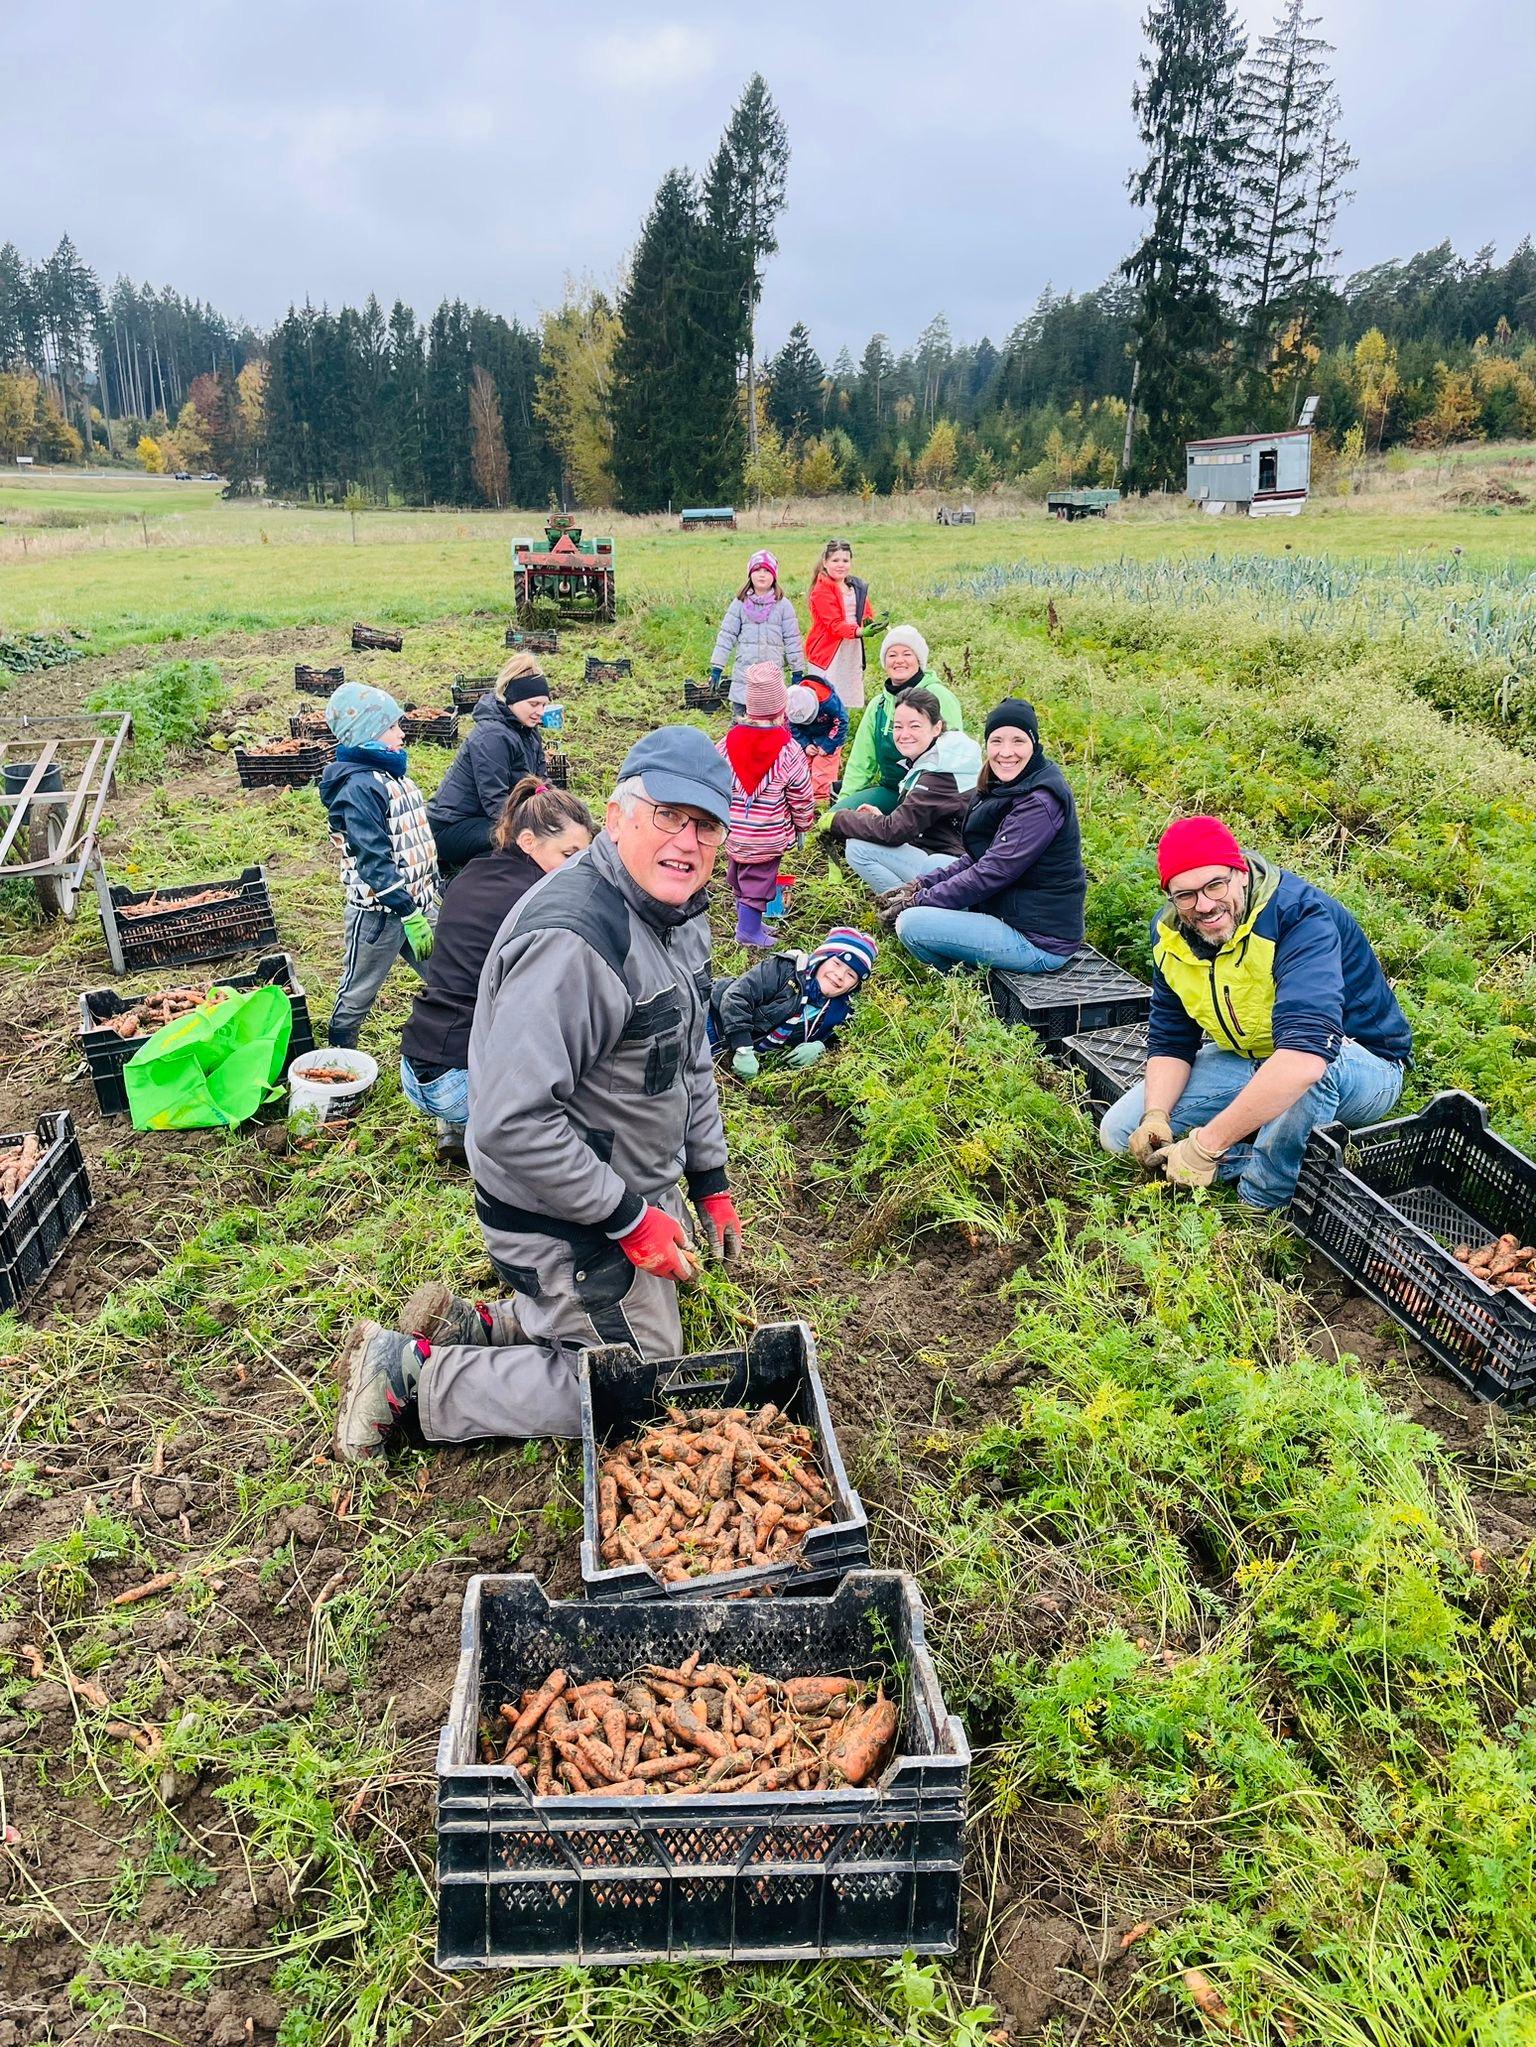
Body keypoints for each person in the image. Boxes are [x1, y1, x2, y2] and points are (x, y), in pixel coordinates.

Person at [333, 726, 744, 1462]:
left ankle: (489, 1325)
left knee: (658, 1310)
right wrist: (626, 1217)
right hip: (554, 1208)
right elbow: (508, 1126)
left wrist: (708, 1177)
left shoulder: (676, 907)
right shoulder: (578, 943)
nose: (688, 839)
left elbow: (688, 1053)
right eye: (668, 816)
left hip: (620, 1175)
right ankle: (412, 1376)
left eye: (706, 823)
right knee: (643, 1381)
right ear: (616, 818)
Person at [1100, 816, 1412, 1211]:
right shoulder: (1170, 937)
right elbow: (1171, 1039)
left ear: (1241, 873)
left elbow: (1305, 1059)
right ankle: (1260, 1146)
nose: (1205, 906)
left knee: (1312, 1070)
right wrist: (1157, 1115)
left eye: (1216, 884)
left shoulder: (1300, 917)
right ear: (1171, 897)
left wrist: (1206, 1145)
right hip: (1254, 1055)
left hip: (1363, 1065)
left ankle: (1261, 1201)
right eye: (1186, 895)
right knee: (1119, 1133)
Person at [400, 776, 594, 1163]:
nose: (577, 866)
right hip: (459, 1083)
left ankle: (458, 1127)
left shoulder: (472, 871)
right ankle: (492, 1132)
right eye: (568, 854)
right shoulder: (539, 900)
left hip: (414, 1065)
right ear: (528, 842)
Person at [881, 697, 1085, 977]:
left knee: (912, 924)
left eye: (1018, 741)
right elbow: (980, 857)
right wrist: (920, 885)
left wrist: (918, 901)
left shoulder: (1038, 802)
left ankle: (965, 981)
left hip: (1037, 939)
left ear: (1034, 745)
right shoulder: (1006, 782)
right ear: (986, 743)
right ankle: (965, 947)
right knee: (932, 866)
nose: (1006, 752)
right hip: (1010, 909)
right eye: (997, 741)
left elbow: (991, 871)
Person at [319, 683, 440, 1049]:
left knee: (452, 975)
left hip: (420, 902)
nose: (401, 732)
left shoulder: (393, 776)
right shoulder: (358, 788)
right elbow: (372, 857)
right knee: (359, 990)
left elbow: (414, 839)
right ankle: (339, 1054)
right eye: (392, 727)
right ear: (366, 734)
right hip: (380, 914)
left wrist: (429, 891)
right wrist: (405, 909)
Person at [830, 686, 980, 897]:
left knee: (858, 848)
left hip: (952, 866)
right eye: (898, 727)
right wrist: (881, 819)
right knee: (867, 840)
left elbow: (894, 831)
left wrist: (837, 820)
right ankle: (911, 901)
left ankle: (906, 906)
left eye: (915, 726)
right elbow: (915, 824)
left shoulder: (939, 772)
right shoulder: (938, 759)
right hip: (945, 856)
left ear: (936, 728)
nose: (904, 735)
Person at [716, 663, 816, 949]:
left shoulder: (727, 742)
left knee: (740, 878)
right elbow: (801, 793)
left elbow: (715, 779)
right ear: (781, 710)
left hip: (735, 832)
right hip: (767, 836)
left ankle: (751, 922)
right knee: (758, 885)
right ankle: (748, 931)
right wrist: (803, 823)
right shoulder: (788, 749)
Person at [427, 653, 551, 871]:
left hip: (485, 819)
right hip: (452, 827)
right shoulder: (491, 736)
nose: (540, 712)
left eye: (544, 705)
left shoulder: (529, 732)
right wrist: (534, 829)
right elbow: (495, 801)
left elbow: (540, 783)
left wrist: (556, 813)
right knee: (519, 843)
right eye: (534, 704)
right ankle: (458, 885)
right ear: (513, 699)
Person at [709, 926, 878, 1076]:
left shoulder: (842, 1010)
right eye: (836, 964)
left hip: (735, 1052)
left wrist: (821, 1047)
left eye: (851, 975)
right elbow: (736, 997)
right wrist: (743, 1048)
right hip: (714, 1021)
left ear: (854, 986)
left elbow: (842, 1040)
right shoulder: (785, 969)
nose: (839, 976)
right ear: (821, 959)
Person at [833, 626, 964, 814]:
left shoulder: (939, 696)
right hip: (893, 791)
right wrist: (845, 801)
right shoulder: (878, 705)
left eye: (907, 654)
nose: (899, 661)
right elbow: (860, 761)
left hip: (933, 795)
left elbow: (956, 753)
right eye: (892, 655)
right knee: (838, 818)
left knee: (907, 832)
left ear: (919, 660)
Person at [709, 549, 805, 720]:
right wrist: (717, 667)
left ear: (774, 575)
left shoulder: (783, 606)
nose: (762, 575)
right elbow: (726, 637)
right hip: (744, 678)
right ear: (750, 573)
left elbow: (792, 640)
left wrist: (797, 671)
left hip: (772, 679)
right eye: (757, 570)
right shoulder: (739, 604)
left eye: (767, 570)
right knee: (741, 724)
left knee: (772, 726)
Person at [805, 538, 876, 713]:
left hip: (851, 646)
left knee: (845, 693)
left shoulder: (855, 587)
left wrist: (871, 622)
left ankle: (841, 729)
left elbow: (865, 611)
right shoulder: (821, 590)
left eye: (845, 560)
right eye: (835, 560)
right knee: (825, 696)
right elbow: (834, 624)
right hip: (829, 649)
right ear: (825, 562)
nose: (840, 565)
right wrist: (859, 631)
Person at [785, 668, 848, 805]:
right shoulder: (793, 703)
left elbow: (841, 722)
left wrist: (828, 745)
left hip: (829, 735)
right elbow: (792, 727)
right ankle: (804, 797)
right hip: (808, 736)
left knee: (822, 771)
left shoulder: (829, 701)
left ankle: (821, 802)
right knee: (802, 767)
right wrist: (805, 744)